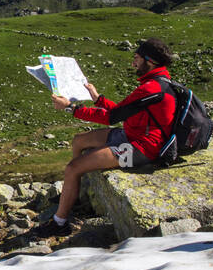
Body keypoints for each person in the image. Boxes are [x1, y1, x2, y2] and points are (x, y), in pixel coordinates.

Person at [46, 37, 177, 233]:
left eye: (137, 58)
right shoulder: (156, 83)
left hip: (143, 148)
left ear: (150, 61)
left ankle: (59, 224)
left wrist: (71, 109)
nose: (133, 62)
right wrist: (99, 99)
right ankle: (75, 192)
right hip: (132, 134)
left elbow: (111, 117)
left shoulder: (151, 88)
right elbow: (122, 112)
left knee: (73, 167)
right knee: (78, 141)